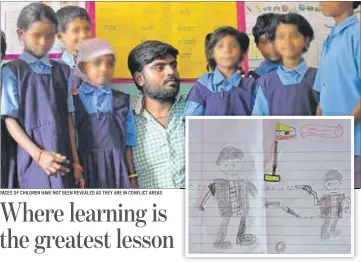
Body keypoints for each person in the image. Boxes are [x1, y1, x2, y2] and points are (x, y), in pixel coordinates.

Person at [1, 3, 83, 188]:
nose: (43, 42)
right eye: (36, 35)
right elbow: (9, 120)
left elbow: (69, 119)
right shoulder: (12, 71)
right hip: (31, 156)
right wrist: (39, 155)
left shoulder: (62, 70)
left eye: (49, 35)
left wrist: (76, 162)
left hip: (63, 154)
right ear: (21, 34)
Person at [70, 38, 137, 188]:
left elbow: (128, 144)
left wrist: (132, 177)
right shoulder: (74, 101)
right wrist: (77, 167)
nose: (104, 68)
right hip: (87, 169)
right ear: (82, 66)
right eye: (97, 63)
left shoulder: (122, 100)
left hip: (118, 169)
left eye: (110, 63)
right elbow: (72, 140)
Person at [314, 1, 361, 189]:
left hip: (355, 144)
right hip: (332, 144)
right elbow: (323, 94)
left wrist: (346, 126)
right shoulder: (329, 40)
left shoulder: (357, 34)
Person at [127, 40, 185, 188]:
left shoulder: (195, 111)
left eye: (173, 65)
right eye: (159, 67)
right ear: (140, 78)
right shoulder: (127, 122)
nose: (171, 72)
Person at [252, 13, 319, 116]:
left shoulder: (319, 77)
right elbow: (258, 123)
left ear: (306, 40)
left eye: (294, 36)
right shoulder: (263, 83)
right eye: (281, 37)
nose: (287, 42)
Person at [183, 26, 256, 116]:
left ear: (242, 52)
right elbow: (192, 121)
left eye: (233, 46)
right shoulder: (203, 84)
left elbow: (260, 120)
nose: (226, 50)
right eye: (220, 46)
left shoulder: (251, 85)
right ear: (211, 53)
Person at [251, 13, 281, 78]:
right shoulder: (254, 78)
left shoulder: (302, 74)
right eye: (264, 42)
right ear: (257, 46)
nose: (271, 47)